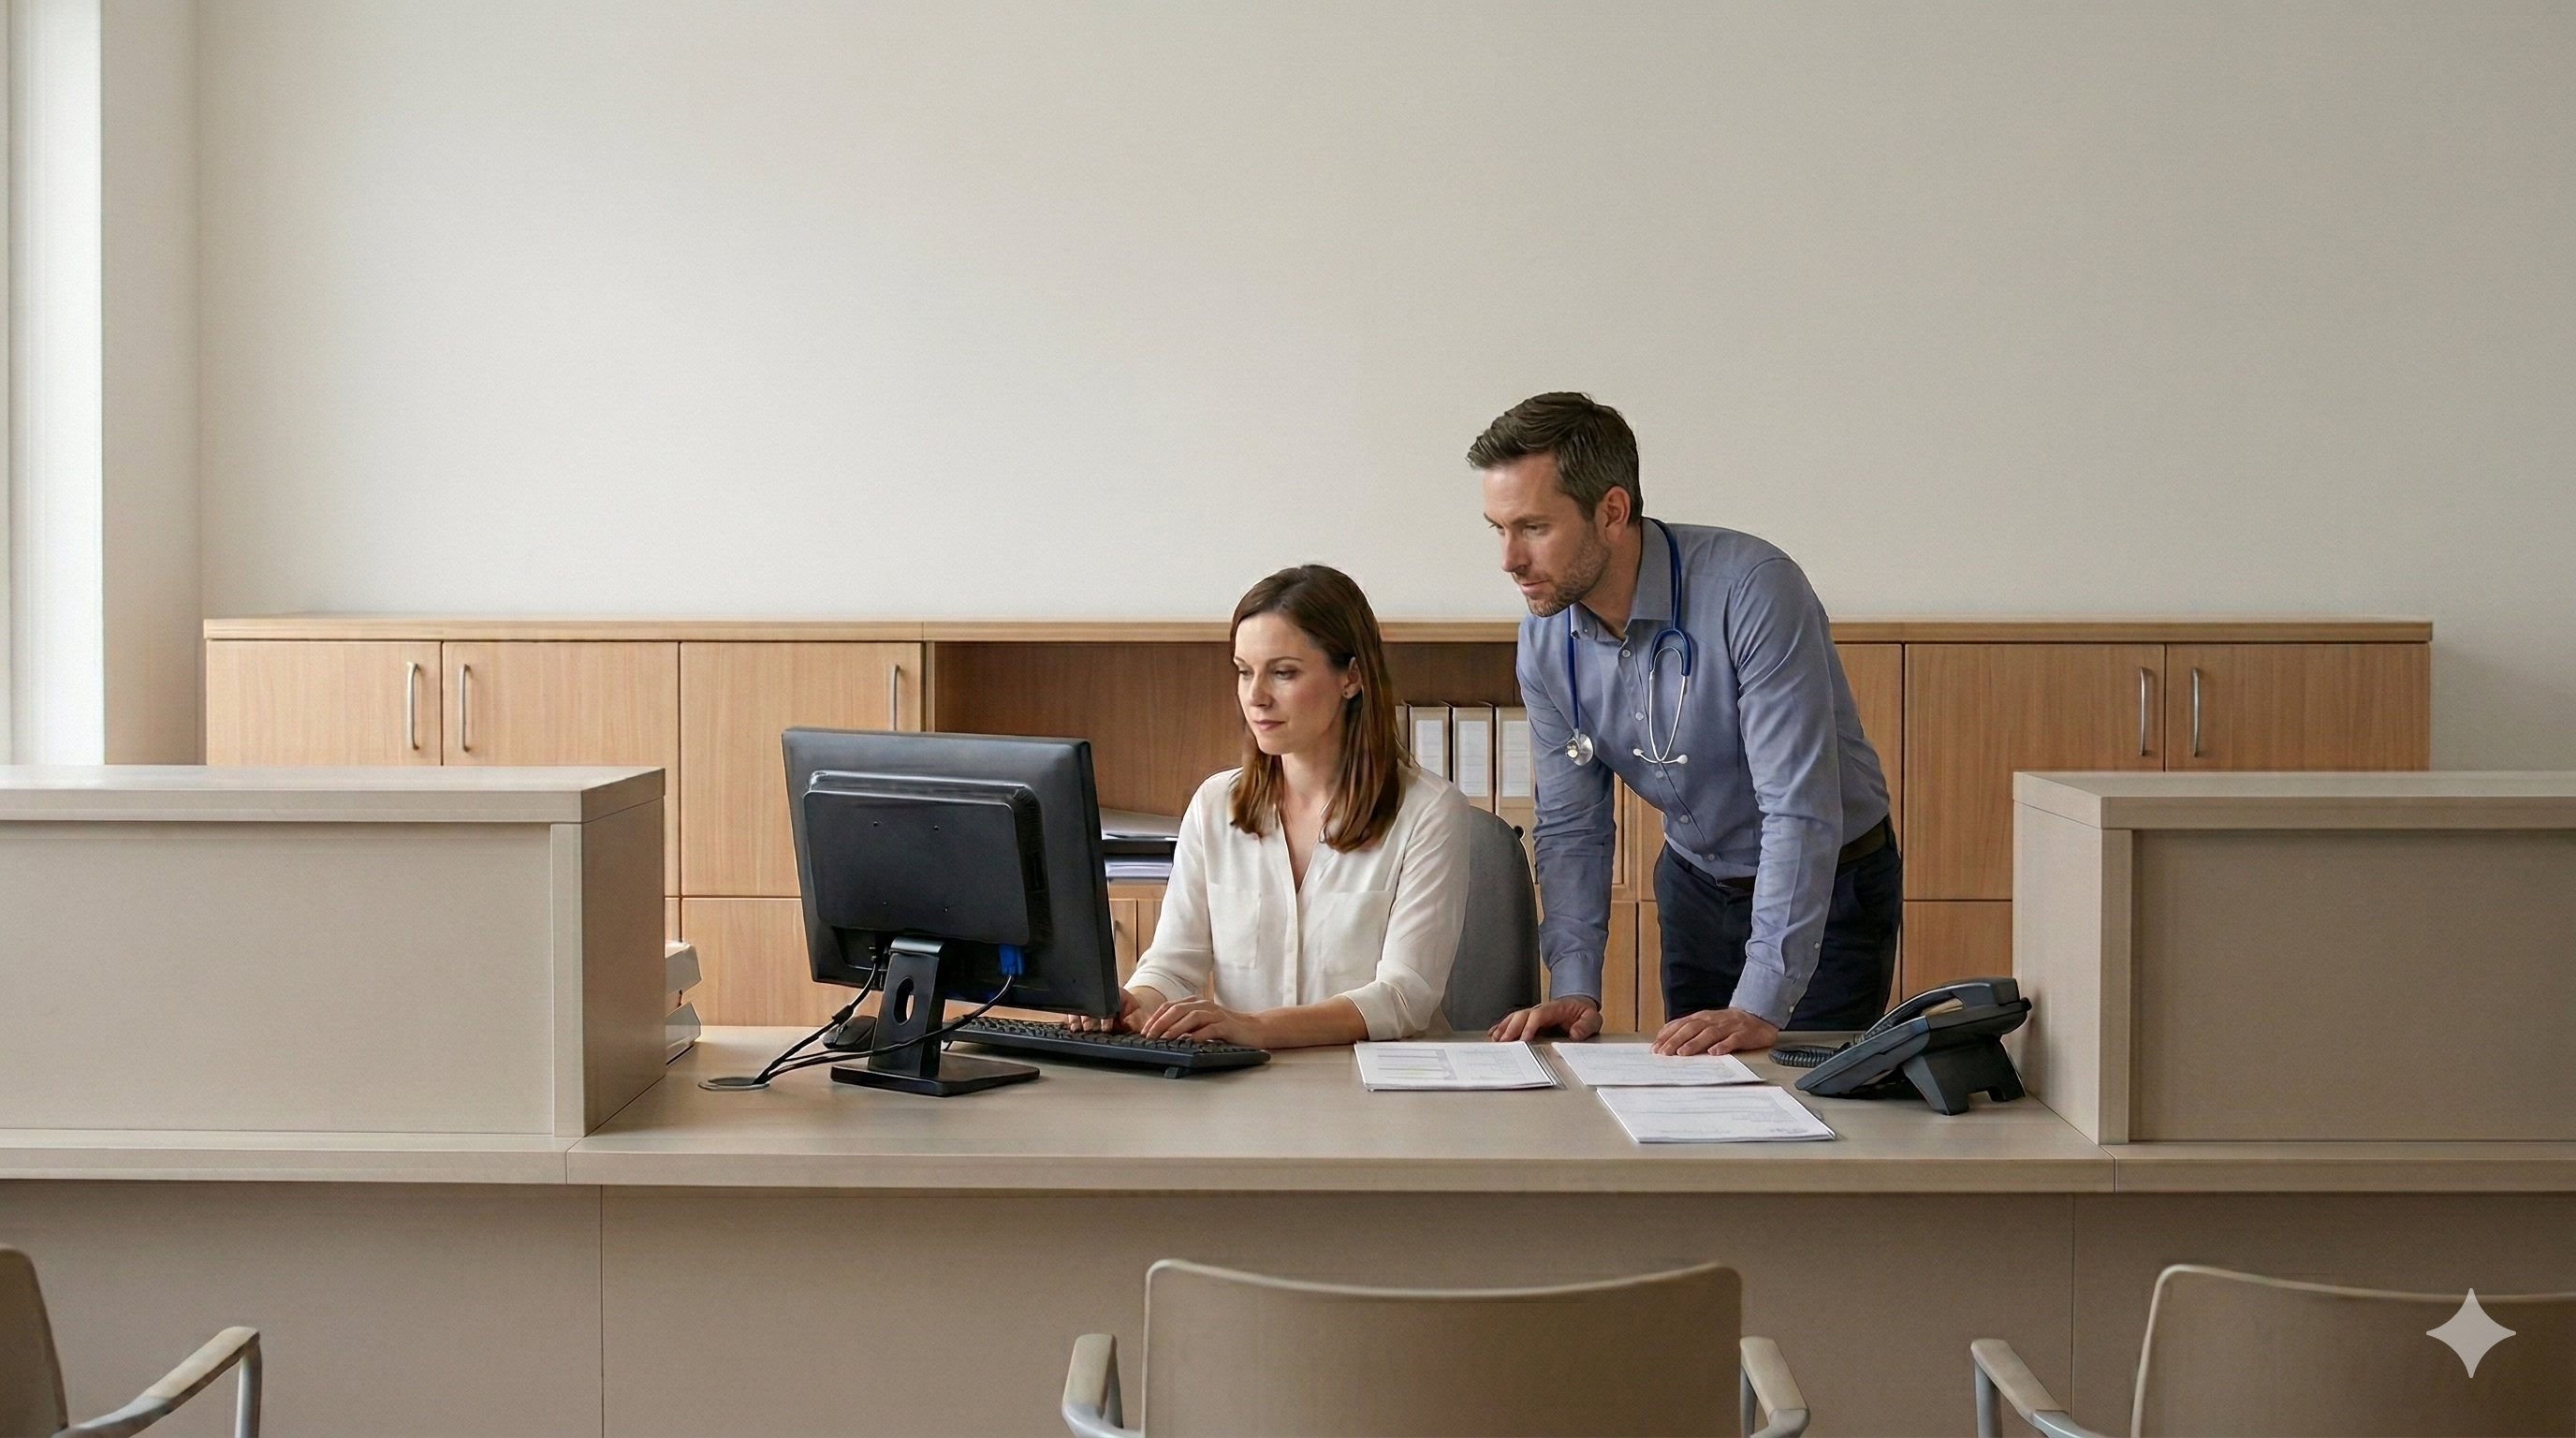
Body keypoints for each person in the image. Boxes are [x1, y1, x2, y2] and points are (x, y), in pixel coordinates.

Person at [1475, 392, 1899, 1056]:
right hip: (1695, 886)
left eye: (1533, 528)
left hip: (1829, 883)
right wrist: (1576, 984)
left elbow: (1798, 808)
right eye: (1496, 529)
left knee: (1808, 1117)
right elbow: (1571, 825)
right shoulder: (1544, 639)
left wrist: (1761, 999)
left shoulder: (1753, 590)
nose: (1508, 559)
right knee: (1701, 1105)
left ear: (1612, 512)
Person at [1073, 565, 1471, 1048]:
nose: (1255, 697)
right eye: (1244, 672)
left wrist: (1254, 1027)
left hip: (1376, 1092)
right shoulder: (1215, 804)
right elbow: (1174, 966)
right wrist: (1137, 1002)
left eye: (1283, 673)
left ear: (1352, 677)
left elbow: (1402, 998)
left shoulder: (1429, 812)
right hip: (1249, 1091)